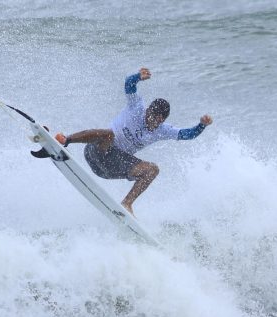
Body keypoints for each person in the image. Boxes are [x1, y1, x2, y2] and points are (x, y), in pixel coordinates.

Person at [55, 67, 213, 215]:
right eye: (151, 115)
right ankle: (66, 140)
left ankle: (126, 204)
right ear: (148, 110)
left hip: (113, 167)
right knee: (109, 134)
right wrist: (138, 77)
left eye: (158, 120)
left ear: (162, 120)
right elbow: (129, 84)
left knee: (152, 170)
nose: (152, 121)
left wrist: (201, 126)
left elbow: (187, 134)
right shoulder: (137, 107)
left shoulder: (163, 130)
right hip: (96, 151)